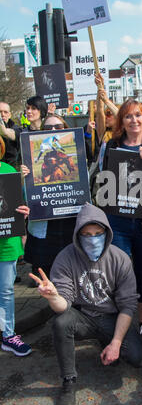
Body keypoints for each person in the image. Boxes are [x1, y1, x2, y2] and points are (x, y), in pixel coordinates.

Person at [29, 203, 142, 405]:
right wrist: (53, 296)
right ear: (77, 235)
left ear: (106, 233)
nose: (92, 238)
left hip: (112, 317)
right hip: (82, 316)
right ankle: (68, 381)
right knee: (61, 322)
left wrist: (116, 344)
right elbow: (63, 305)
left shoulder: (120, 258)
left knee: (139, 358)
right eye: (86, 234)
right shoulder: (65, 257)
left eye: (97, 233)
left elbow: (128, 306)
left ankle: (107, 341)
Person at [92, 98, 142, 345]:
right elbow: (102, 179)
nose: (134, 120)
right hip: (118, 222)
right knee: (118, 275)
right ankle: (117, 324)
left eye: (137, 115)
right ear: (121, 121)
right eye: (128, 116)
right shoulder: (111, 146)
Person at [21, 113, 76, 283]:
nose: (52, 130)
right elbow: (27, 195)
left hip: (68, 223)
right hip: (44, 225)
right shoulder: (35, 158)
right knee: (47, 276)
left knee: (70, 274)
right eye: (48, 128)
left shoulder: (70, 155)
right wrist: (24, 179)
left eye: (58, 127)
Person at [0, 160, 32, 356]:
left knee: (6, 291)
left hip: (6, 243)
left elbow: (16, 204)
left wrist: (23, 213)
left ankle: (8, 335)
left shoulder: (8, 170)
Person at [0, 102, 22, 168]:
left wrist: (4, 131)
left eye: (5, 112)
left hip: (12, 170)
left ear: (10, 115)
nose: (2, 114)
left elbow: (9, 134)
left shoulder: (17, 129)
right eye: (0, 112)